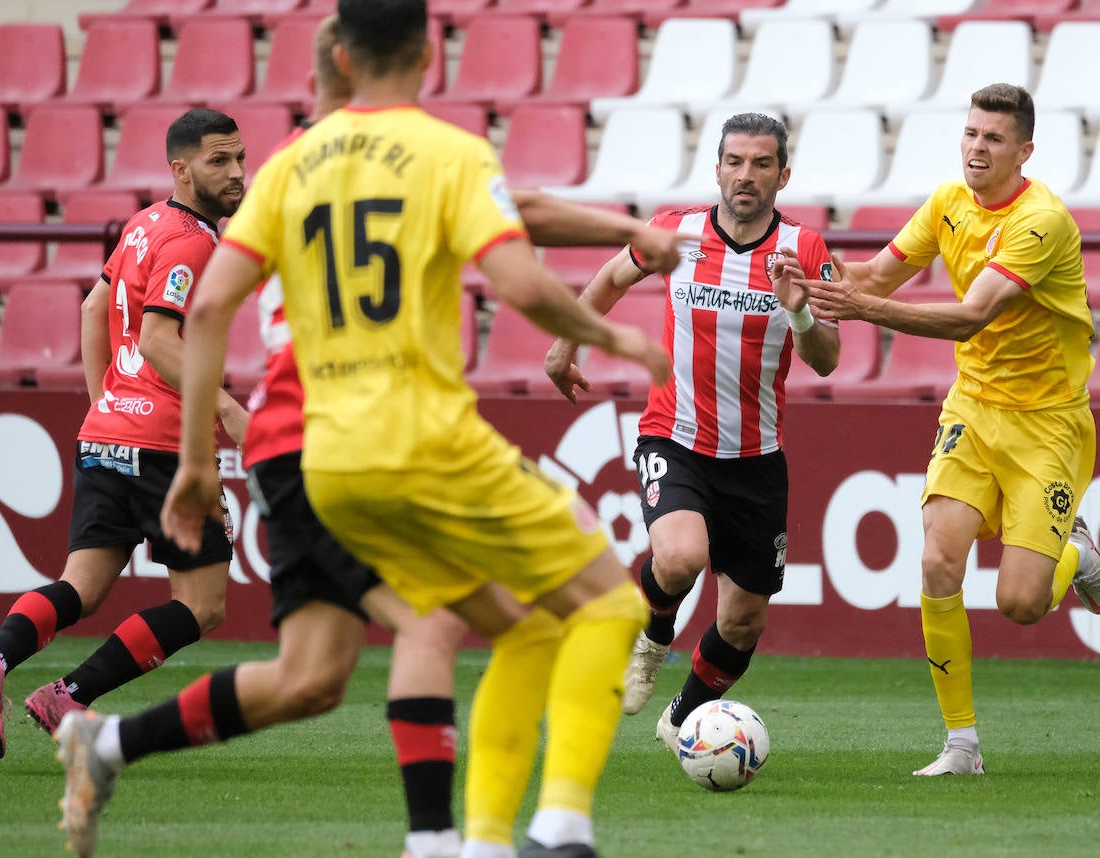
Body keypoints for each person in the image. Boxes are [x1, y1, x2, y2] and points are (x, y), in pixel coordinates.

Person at [54, 3, 672, 858]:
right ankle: (506, 837)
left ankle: (108, 741)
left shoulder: (288, 171)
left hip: (303, 453)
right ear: (427, 53)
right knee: (558, 612)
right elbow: (515, 260)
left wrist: (201, 461)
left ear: (337, 62)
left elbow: (205, 316)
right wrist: (615, 334)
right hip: (389, 439)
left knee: (311, 679)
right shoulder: (438, 152)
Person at [777, 83, 1100, 776]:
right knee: (936, 559)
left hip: (1047, 423)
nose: (976, 148)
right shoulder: (946, 203)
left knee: (1021, 603)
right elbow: (875, 275)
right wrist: (812, 276)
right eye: (969, 134)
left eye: (992, 139)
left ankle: (1076, 557)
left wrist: (862, 311)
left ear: (1024, 152)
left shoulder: (1041, 221)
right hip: (973, 411)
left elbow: (970, 317)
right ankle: (961, 745)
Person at [0, 108, 250, 762]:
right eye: (219, 161)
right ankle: (67, 695)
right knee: (202, 606)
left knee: (81, 588)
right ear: (181, 168)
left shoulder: (142, 225)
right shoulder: (196, 241)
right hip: (164, 444)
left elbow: (92, 311)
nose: (236, 173)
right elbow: (158, 340)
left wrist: (105, 405)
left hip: (106, 434)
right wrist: (227, 411)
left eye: (238, 158)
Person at [545, 112, 842, 753]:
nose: (746, 175)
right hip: (674, 437)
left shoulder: (805, 249)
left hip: (757, 457)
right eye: (735, 161)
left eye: (762, 164)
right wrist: (565, 344)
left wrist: (796, 306)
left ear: (783, 175)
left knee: (743, 619)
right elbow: (608, 280)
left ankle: (684, 717)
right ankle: (650, 641)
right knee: (680, 558)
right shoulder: (674, 232)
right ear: (717, 168)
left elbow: (827, 358)